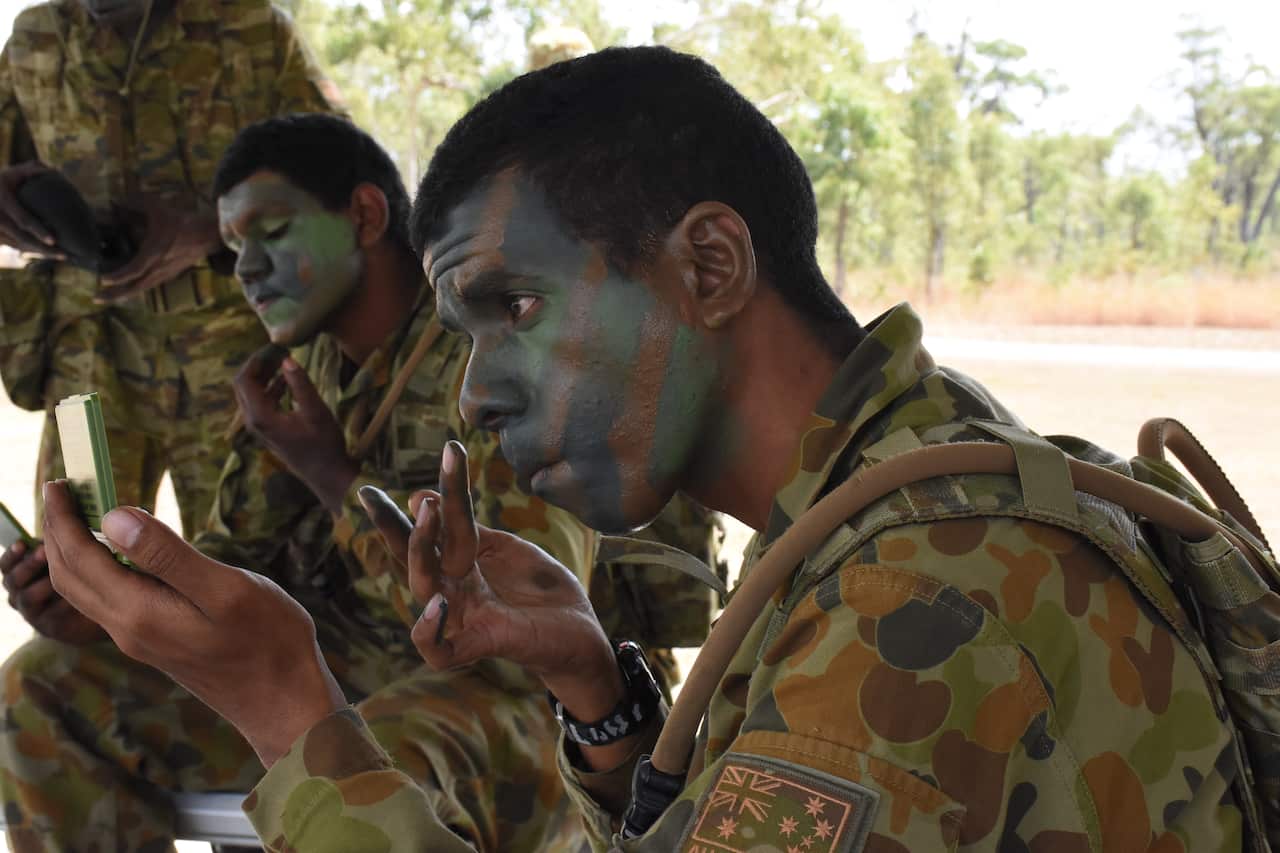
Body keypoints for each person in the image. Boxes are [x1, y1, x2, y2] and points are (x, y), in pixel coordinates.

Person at [39, 46, 1249, 852]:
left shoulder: (920, 598)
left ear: (708, 267)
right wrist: (602, 694)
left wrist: (289, 714)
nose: (476, 394)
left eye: (513, 308)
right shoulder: (912, 478)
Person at [0, 0, 343, 537]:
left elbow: (342, 178)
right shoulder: (34, 38)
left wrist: (213, 228)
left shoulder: (252, 29)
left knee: (258, 570)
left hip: (237, 364)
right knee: (79, 567)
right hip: (88, 363)